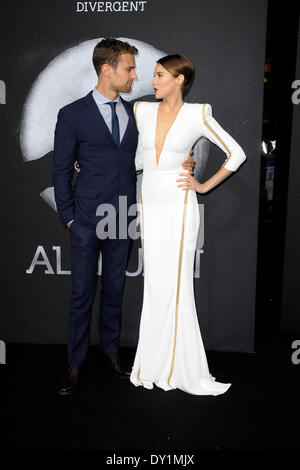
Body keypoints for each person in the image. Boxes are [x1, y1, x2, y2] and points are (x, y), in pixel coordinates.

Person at [52, 39, 195, 396]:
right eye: (129, 68)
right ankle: (75, 363)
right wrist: (70, 218)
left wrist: (185, 161)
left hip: (122, 216)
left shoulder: (137, 113)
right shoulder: (72, 114)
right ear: (107, 69)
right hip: (85, 219)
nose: (135, 75)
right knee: (82, 293)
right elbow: (59, 171)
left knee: (115, 290)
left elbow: (157, 151)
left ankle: (112, 354)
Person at [130, 54, 247, 396]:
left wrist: (203, 185)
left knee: (177, 285)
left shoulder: (198, 114)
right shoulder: (143, 112)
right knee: (155, 284)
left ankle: (178, 368)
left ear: (179, 80)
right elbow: (139, 160)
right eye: (153, 75)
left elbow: (236, 154)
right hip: (149, 205)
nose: (152, 81)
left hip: (179, 207)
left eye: (159, 75)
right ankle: (151, 365)